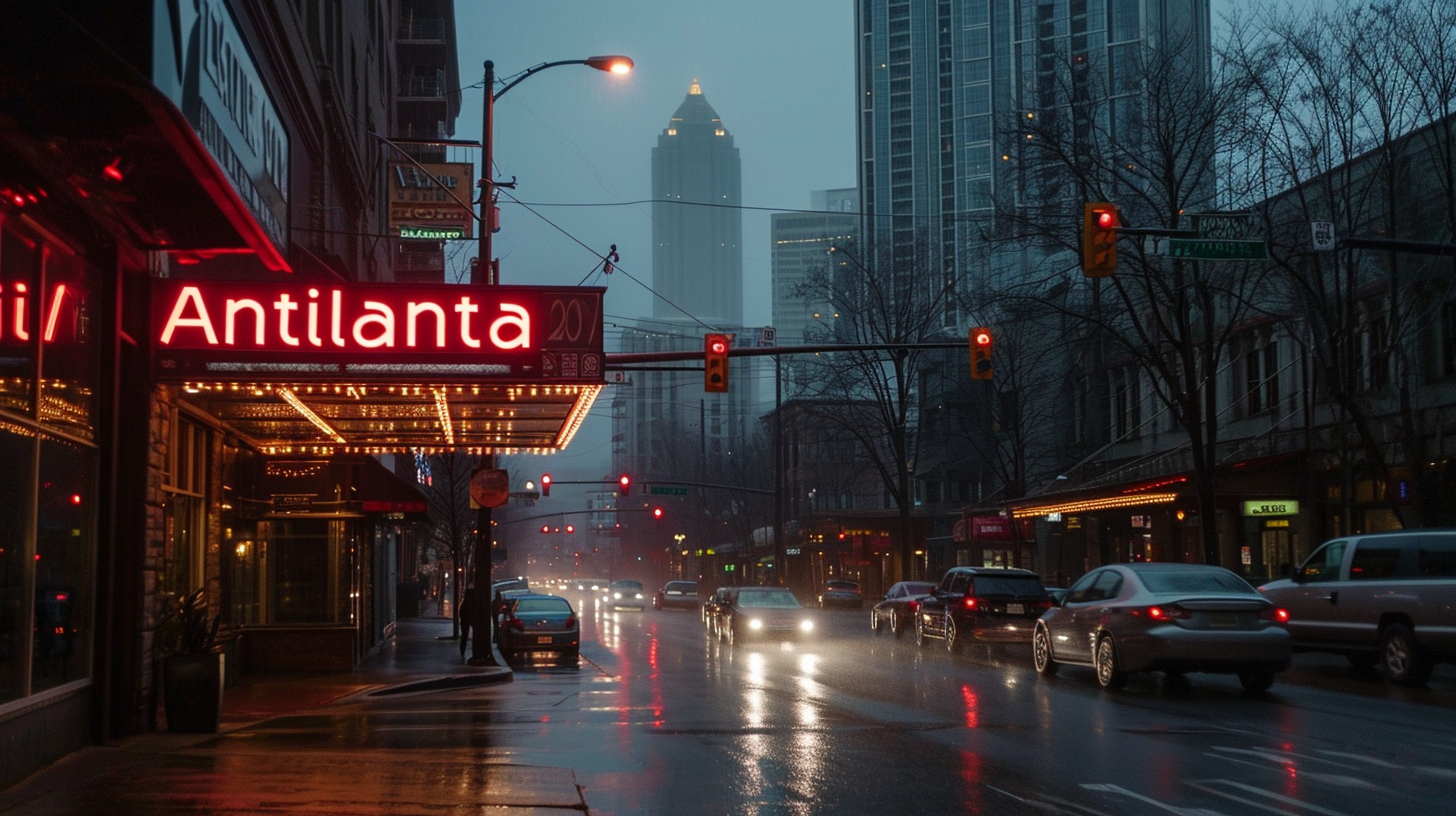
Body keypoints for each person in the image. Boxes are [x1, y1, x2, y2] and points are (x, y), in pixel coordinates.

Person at [458, 587, 477, 660]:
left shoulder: (464, 603)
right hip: (468, 618)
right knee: (467, 634)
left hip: (465, 619)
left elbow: (462, 613)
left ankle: (462, 650)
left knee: (464, 635)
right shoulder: (471, 603)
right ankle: (465, 650)